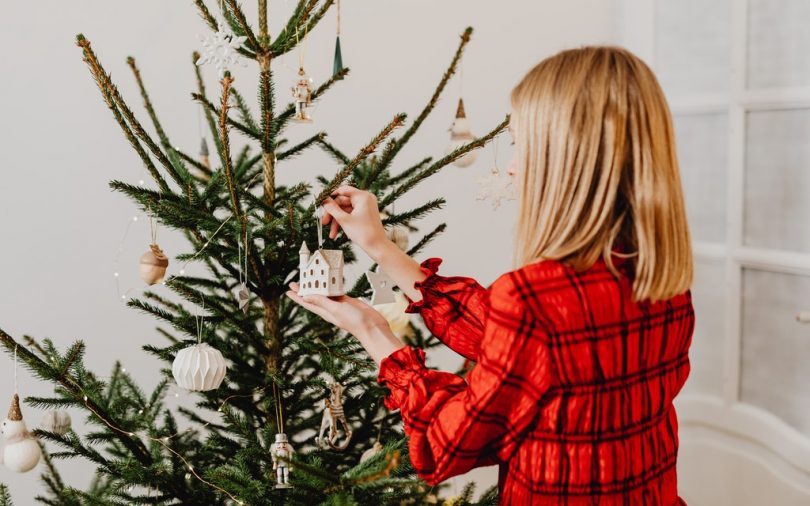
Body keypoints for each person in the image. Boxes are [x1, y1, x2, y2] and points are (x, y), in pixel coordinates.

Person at [286, 46, 695, 505]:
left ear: (568, 158)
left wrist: (374, 331)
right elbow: (515, 344)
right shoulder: (661, 277)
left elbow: (447, 446)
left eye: (520, 145)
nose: (513, 165)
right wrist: (379, 245)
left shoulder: (534, 298)